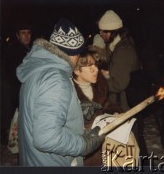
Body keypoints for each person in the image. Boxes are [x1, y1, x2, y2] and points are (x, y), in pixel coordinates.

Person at [16, 18, 105, 166]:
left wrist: (75, 119)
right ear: (72, 54)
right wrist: (84, 145)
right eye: (78, 54)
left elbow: (41, 118)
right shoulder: (56, 79)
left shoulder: (38, 70)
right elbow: (46, 138)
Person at [73, 49, 123, 166]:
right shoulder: (69, 93)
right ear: (76, 70)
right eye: (90, 66)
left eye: (95, 64)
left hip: (104, 147)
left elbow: (106, 105)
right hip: (85, 151)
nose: (96, 69)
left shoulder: (100, 88)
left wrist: (114, 112)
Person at [96, 10, 140, 112]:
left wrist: (97, 81)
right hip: (118, 101)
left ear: (112, 32)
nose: (100, 34)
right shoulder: (113, 46)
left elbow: (118, 84)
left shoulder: (124, 50)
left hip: (123, 105)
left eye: (103, 31)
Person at [5, 21, 32, 119]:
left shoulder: (28, 49)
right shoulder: (15, 50)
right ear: (17, 36)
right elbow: (15, 75)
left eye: (28, 32)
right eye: (23, 33)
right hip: (19, 93)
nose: (26, 35)